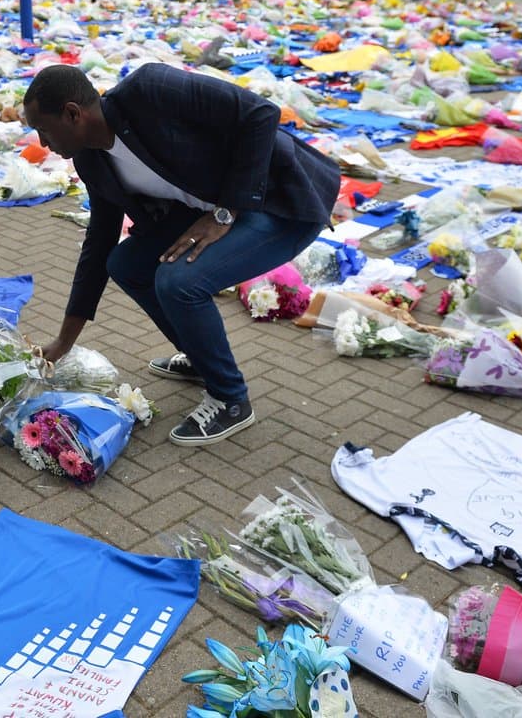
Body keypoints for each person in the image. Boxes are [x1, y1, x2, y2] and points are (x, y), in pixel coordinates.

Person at [22, 64, 337, 447]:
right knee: (126, 263)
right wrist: (63, 342)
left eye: (45, 129)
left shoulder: (150, 90)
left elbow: (261, 114)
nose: (42, 141)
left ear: (73, 113)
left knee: (178, 282)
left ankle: (230, 399)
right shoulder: (91, 159)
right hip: (219, 212)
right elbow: (99, 242)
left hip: (278, 201)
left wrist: (224, 212)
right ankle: (202, 359)